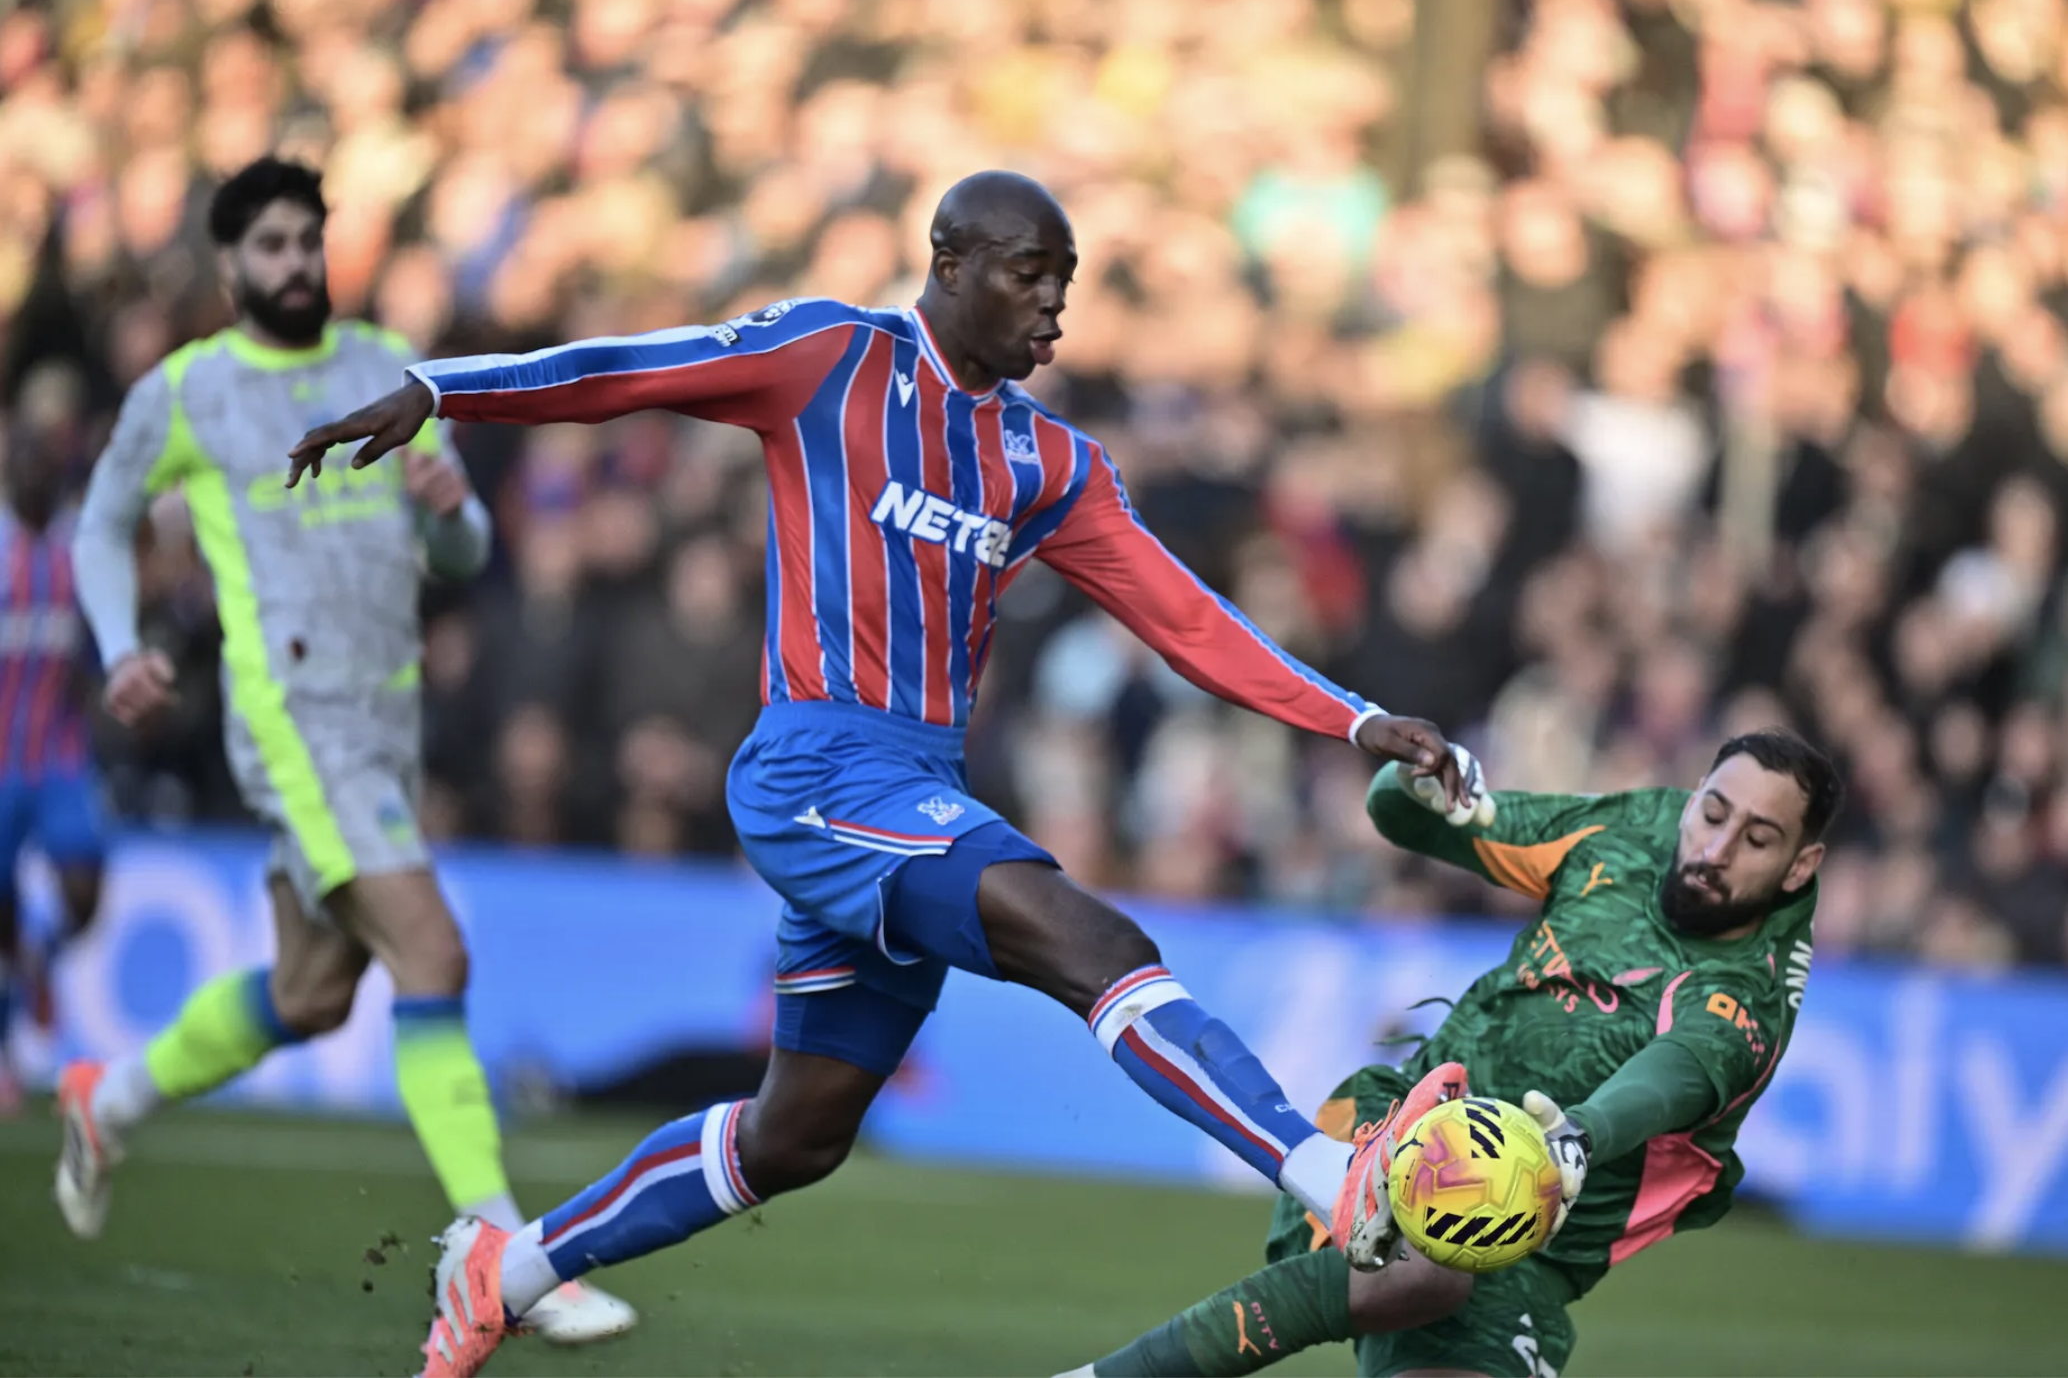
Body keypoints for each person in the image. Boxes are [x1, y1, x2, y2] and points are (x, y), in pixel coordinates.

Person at [283, 169, 1491, 1377]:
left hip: (914, 784)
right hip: (815, 764)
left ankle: (507, 1269)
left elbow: (1184, 616)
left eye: (1065, 282)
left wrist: (1353, 718)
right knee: (1091, 942)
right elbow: (632, 369)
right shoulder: (829, 358)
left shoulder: (1051, 461)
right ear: (950, 260)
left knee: (794, 1135)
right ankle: (1334, 1175)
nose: (1055, 307)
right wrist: (446, 387)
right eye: (1031, 274)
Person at [58, 156, 632, 1345]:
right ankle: (505, 1252)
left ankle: (104, 1097)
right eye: (270, 246)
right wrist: (120, 642)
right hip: (296, 725)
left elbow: (469, 559)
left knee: (314, 995)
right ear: (228, 265)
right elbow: (106, 522)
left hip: (385, 725)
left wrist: (452, 512)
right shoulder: (188, 391)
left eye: (308, 241)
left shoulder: (387, 370)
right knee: (432, 947)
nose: (295, 265)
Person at [1067, 728, 1841, 1378]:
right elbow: (1407, 818)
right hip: (1387, 1126)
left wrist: (1576, 1136)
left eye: (1757, 838)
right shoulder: (1633, 827)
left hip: (1527, 1261)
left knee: (1452, 1255)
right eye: (1712, 812)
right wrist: (1416, 784)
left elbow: (1671, 1077)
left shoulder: (1753, 991)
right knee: (1432, 1256)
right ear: (1695, 792)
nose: (1715, 846)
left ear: (1800, 866)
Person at [0, 433, 107, 1113]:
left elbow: (92, 651)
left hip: (60, 755)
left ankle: (39, 952)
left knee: (85, 889)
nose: (36, 475)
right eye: (25, 464)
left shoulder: (77, 554)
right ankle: (8, 1049)